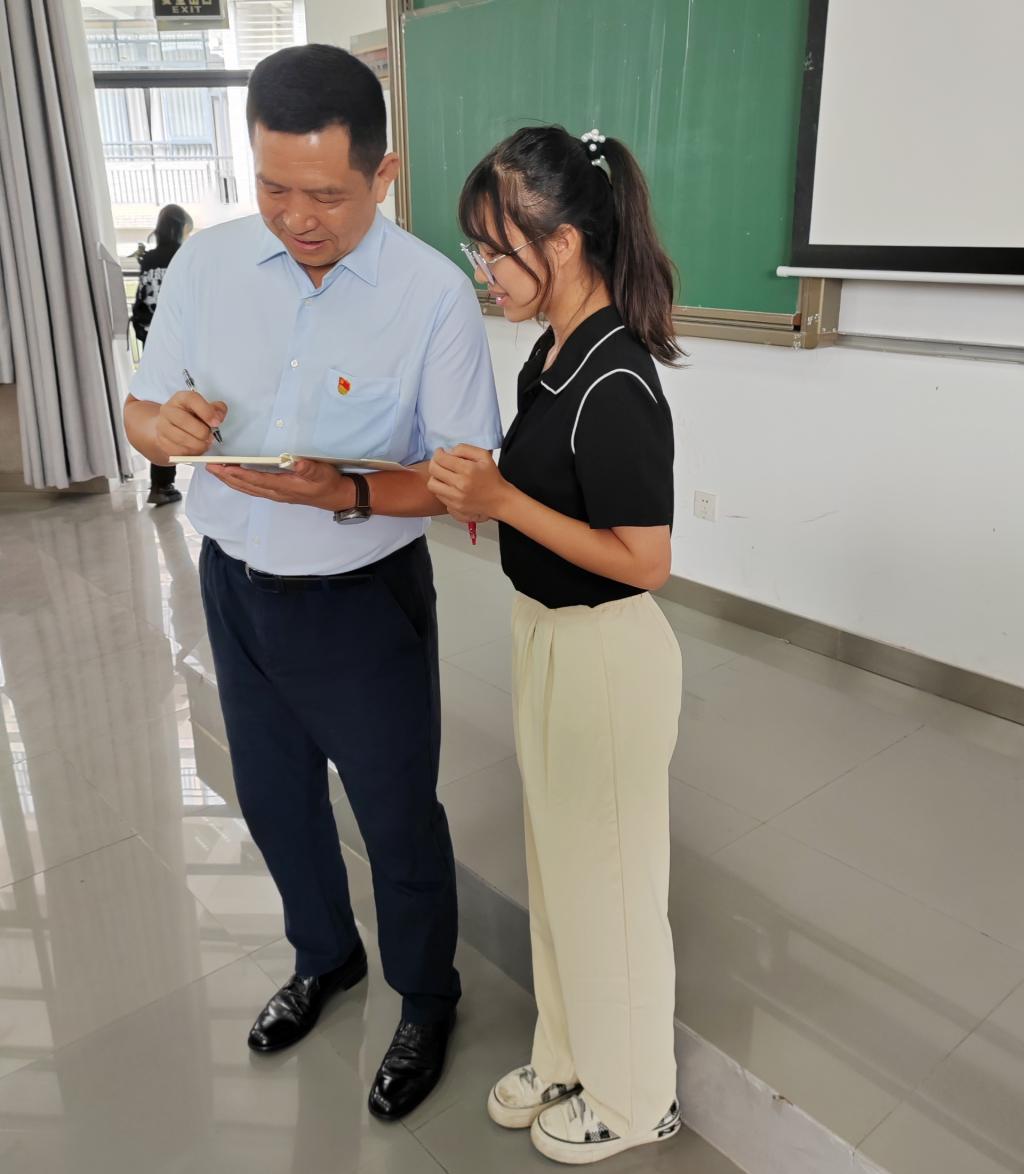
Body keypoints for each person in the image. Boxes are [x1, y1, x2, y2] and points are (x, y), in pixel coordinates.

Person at [123, 45, 502, 1121]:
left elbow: (460, 483)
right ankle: (325, 956)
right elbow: (141, 409)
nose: (296, 217)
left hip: (362, 602)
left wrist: (342, 490)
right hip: (234, 588)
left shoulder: (432, 298)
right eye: (272, 187)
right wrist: (163, 426)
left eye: (327, 195)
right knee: (275, 798)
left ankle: (425, 997)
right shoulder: (207, 267)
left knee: (395, 815)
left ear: (383, 174)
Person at [428, 125, 683, 1165]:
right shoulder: (552, 353)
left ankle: (638, 1097)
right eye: (478, 252)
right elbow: (544, 494)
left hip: (604, 657)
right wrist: (489, 495)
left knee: (611, 887)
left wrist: (502, 501)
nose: (482, 273)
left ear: (563, 244)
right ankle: (571, 1052)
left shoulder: (615, 379)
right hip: (544, 636)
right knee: (562, 869)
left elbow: (645, 560)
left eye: (493, 251)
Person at [131, 203, 194, 506]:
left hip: (152, 338)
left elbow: (140, 300)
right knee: (184, 412)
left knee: (159, 410)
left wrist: (145, 333)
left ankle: (161, 484)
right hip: (183, 340)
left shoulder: (149, 259)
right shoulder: (186, 256)